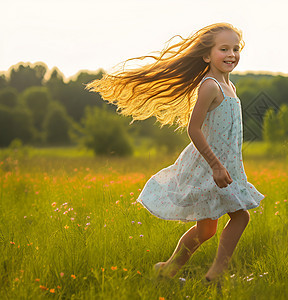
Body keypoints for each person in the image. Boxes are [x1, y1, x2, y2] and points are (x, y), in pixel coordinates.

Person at [86, 23, 265, 282]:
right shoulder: (210, 86)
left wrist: (224, 165)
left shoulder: (231, 87)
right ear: (206, 55)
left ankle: (167, 270)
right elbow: (194, 130)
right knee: (240, 216)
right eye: (223, 49)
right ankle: (215, 275)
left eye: (235, 49)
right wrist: (215, 166)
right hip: (210, 166)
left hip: (225, 166)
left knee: (206, 229)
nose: (231, 54)